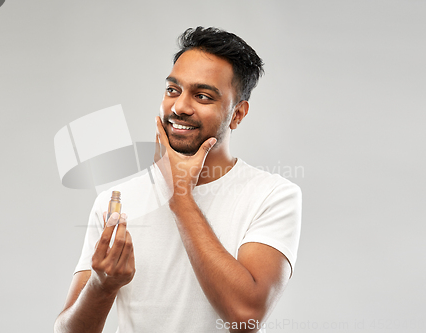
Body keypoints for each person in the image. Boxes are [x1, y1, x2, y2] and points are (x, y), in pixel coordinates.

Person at [54, 27, 302, 333]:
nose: (180, 107)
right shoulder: (115, 202)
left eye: (202, 96)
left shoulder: (272, 195)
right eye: (173, 90)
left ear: (237, 114)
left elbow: (245, 317)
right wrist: (102, 286)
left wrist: (180, 197)